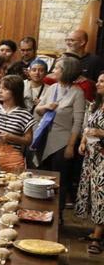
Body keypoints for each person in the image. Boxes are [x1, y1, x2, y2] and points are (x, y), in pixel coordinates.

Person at [35, 57, 86, 213]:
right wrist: (46, 107)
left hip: (63, 142)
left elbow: (78, 122)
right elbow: (38, 110)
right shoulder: (52, 88)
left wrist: (70, 146)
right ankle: (39, 210)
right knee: (41, 177)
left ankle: (57, 215)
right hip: (44, 137)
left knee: (59, 180)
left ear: (66, 71)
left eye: (57, 68)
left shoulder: (77, 93)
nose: (53, 71)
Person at [76, 73, 104, 254]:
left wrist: (100, 133)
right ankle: (95, 230)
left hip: (103, 157)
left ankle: (97, 236)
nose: (98, 83)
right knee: (92, 192)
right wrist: (83, 142)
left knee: (102, 194)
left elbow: (98, 130)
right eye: (99, 80)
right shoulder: (97, 104)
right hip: (91, 156)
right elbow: (87, 128)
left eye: (102, 81)